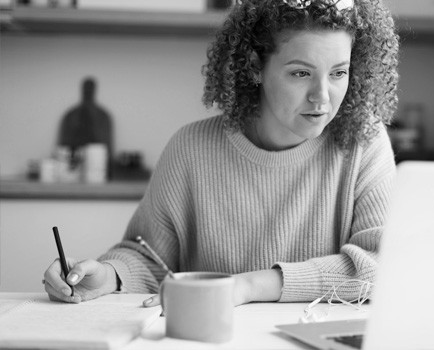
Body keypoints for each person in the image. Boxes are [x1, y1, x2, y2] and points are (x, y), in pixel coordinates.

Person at [43, 0, 399, 307]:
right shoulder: (190, 149)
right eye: (301, 73)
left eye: (339, 73)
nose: (322, 97)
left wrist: (246, 287)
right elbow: (148, 258)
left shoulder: (363, 142)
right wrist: (107, 276)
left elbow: (381, 266)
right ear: (256, 66)